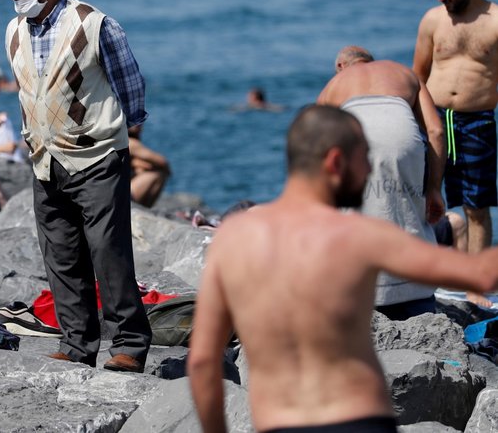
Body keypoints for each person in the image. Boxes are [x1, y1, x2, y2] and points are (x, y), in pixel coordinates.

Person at [187, 105, 498, 433]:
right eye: (365, 157)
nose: (368, 170)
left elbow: (203, 361)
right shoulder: (359, 236)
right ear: (336, 161)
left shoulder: (234, 240)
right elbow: (482, 275)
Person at [4, 0, 151, 373]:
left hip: (98, 156)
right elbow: (27, 90)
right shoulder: (13, 31)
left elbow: (131, 85)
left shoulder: (94, 24)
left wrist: (120, 134)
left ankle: (129, 344)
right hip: (44, 159)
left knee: (108, 250)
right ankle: (77, 343)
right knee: (61, 254)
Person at [317, 45, 446, 320]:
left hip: (355, 134)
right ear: (370, 62)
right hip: (402, 134)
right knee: (408, 210)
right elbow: (435, 130)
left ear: (341, 66)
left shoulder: (335, 83)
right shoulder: (403, 72)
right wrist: (434, 189)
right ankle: (417, 299)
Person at [414, 0, 498, 263]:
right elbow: (418, 76)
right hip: (434, 119)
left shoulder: (496, 22)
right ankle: (426, 271)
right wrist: (419, 121)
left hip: (477, 122)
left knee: (476, 206)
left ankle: (476, 285)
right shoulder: (432, 20)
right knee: (424, 196)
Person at [128, 124, 171, 208]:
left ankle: (140, 209)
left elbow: (136, 163)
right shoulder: (130, 143)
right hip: (123, 195)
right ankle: (142, 209)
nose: (138, 124)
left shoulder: (119, 142)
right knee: (158, 174)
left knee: (143, 170)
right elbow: (162, 161)